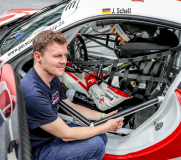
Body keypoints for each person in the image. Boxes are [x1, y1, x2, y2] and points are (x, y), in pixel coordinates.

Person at [21, 30, 124, 160]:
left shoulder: (50, 78)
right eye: (57, 56)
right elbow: (66, 134)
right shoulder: (33, 93)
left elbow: (71, 107)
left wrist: (103, 117)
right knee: (96, 144)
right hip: (38, 151)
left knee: (100, 137)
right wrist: (105, 127)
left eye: (65, 55)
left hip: (50, 136)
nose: (64, 61)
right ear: (38, 56)